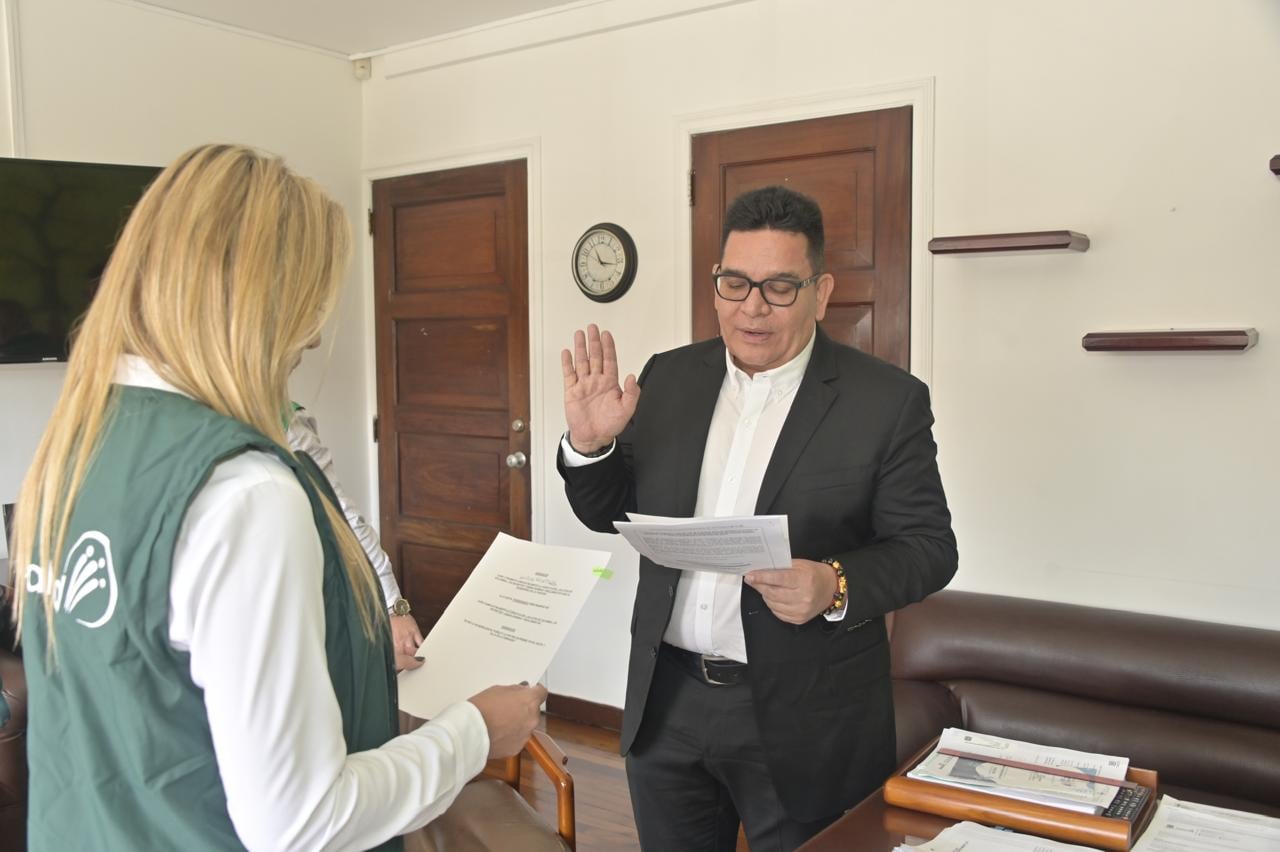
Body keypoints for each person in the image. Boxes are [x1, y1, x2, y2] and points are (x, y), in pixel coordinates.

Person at [9, 143, 547, 851]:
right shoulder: (245, 491)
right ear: (256, 301)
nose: (313, 337)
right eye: (306, 304)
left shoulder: (75, 446)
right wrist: (474, 732)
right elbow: (299, 821)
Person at [558, 186, 958, 851]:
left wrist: (834, 583)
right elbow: (607, 512)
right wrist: (591, 445)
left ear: (820, 293)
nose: (752, 307)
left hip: (810, 716)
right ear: (716, 284)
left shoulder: (885, 402)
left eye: (779, 287)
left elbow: (929, 547)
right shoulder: (668, 378)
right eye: (736, 283)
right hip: (668, 701)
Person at [287, 403, 423, 668]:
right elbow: (342, 516)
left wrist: (393, 606)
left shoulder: (285, 422)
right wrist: (393, 607)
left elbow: (340, 514)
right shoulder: (285, 423)